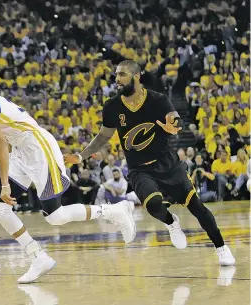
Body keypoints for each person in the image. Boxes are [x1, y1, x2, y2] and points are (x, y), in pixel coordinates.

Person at [0, 65, 135, 284]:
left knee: (55, 216)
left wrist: (5, 184)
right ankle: (37, 257)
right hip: (21, 149)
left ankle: (114, 211)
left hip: (36, 146)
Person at [64, 60, 235, 266]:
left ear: (136, 76)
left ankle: (221, 247)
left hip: (167, 163)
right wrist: (80, 156)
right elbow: (102, 137)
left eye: (122, 75)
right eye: (116, 75)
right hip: (139, 169)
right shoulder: (112, 106)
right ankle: (172, 222)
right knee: (153, 205)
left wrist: (175, 127)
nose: (117, 79)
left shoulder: (158, 100)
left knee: (196, 206)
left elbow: (176, 119)